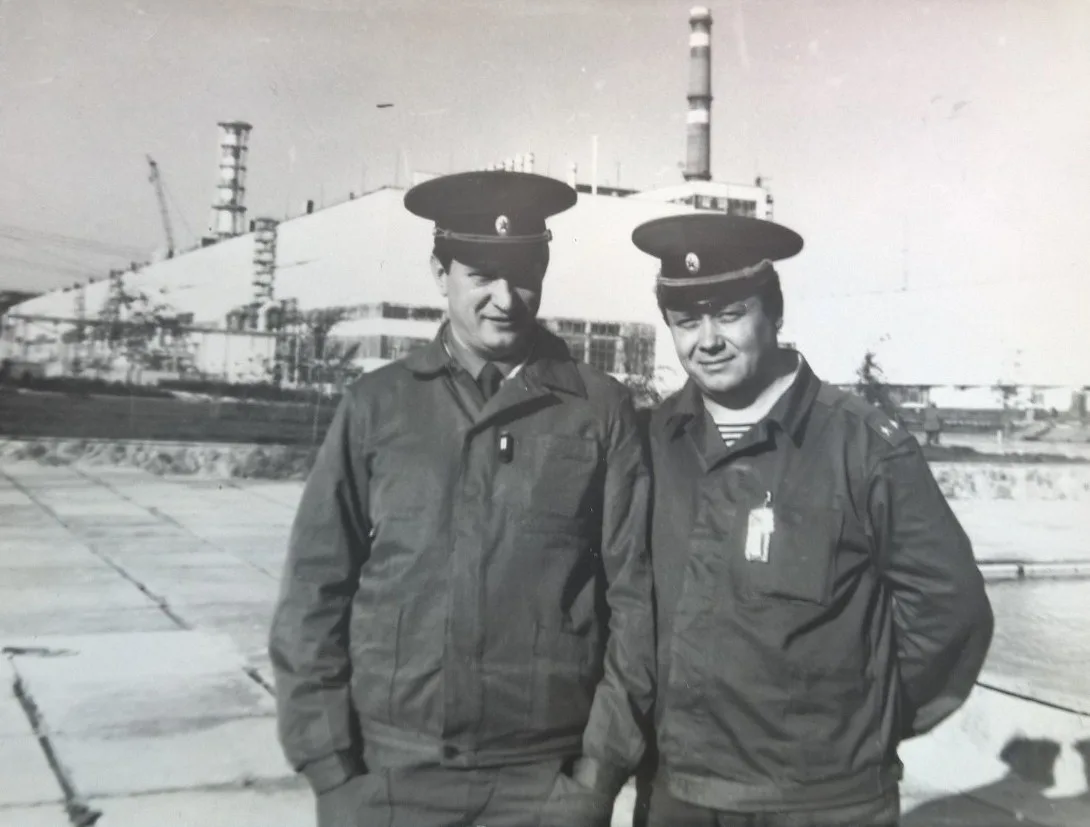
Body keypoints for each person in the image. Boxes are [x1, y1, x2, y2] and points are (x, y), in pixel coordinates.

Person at [269, 170, 655, 827]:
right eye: (481, 275)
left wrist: (599, 771)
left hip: (545, 780)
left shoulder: (599, 408)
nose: (505, 299)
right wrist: (331, 769)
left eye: (523, 275)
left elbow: (635, 601)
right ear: (439, 272)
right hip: (393, 772)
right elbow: (314, 591)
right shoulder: (376, 405)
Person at [631, 213, 994, 827]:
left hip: (825, 801)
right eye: (687, 321)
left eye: (730, 314)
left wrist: (866, 720)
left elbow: (948, 607)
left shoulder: (862, 445)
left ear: (774, 313)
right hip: (680, 792)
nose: (708, 340)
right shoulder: (654, 439)